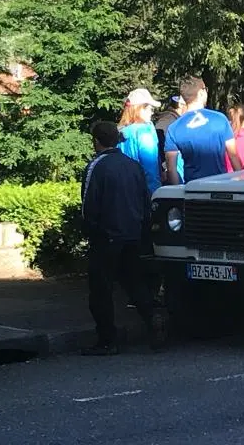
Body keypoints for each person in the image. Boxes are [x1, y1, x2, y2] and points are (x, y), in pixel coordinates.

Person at [80, 120, 166, 354]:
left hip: (107, 236)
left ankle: (107, 340)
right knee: (135, 283)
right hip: (133, 234)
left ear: (96, 141)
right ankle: (152, 321)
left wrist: (91, 231)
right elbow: (145, 200)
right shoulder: (133, 165)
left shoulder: (96, 167)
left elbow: (89, 206)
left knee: (101, 289)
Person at [164, 76, 242, 184]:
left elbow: (172, 169)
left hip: (192, 190)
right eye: (205, 89)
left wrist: (176, 193)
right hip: (219, 188)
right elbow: (233, 156)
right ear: (201, 93)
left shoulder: (174, 128)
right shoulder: (220, 119)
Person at [116, 88, 162, 194]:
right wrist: (156, 197)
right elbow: (151, 170)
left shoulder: (119, 133)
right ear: (140, 109)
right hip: (142, 194)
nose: (152, 113)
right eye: (150, 109)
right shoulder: (144, 132)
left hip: (123, 193)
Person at [154, 95, 185, 185]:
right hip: (169, 173)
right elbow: (160, 144)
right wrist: (164, 168)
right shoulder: (168, 121)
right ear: (180, 105)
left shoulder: (174, 120)